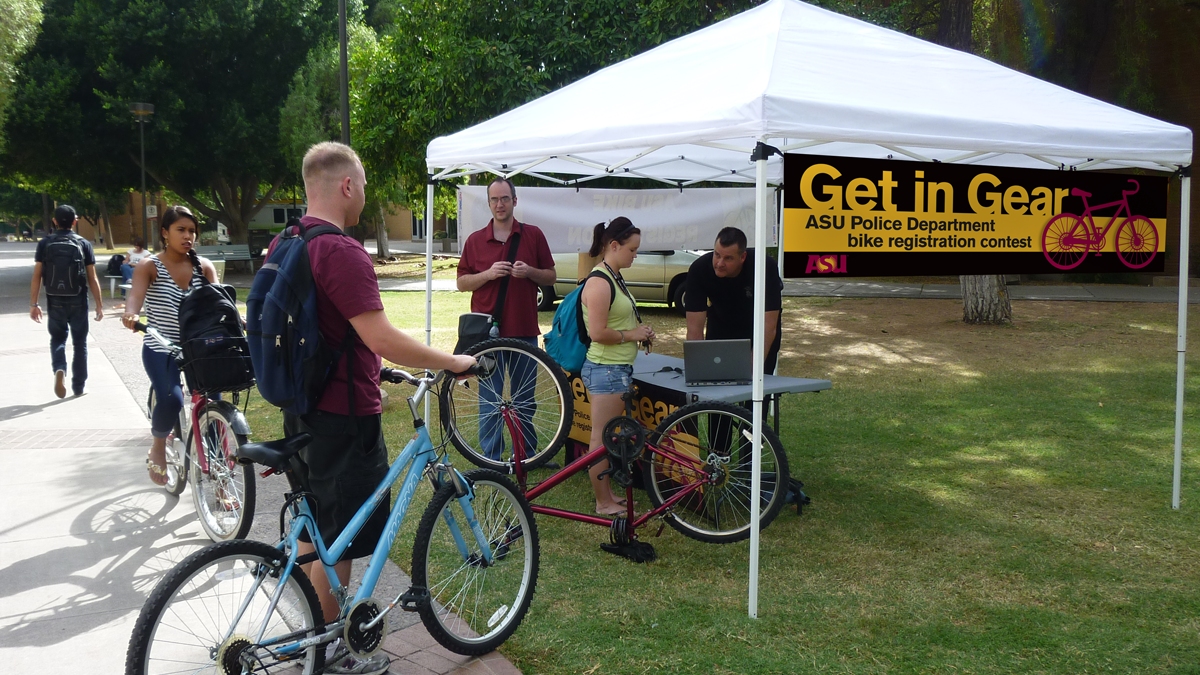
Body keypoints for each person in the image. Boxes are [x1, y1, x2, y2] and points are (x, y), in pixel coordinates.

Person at [273, 141, 476, 675]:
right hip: (344, 421)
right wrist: (452, 362)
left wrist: (372, 369)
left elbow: (329, 331)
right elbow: (382, 335)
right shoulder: (339, 250)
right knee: (342, 541)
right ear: (346, 185)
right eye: (362, 184)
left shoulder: (288, 241)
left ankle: (313, 638)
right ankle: (331, 649)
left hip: (304, 409)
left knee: (323, 532)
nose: (364, 193)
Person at [456, 177, 555, 461]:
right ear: (488, 203)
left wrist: (530, 272)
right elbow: (462, 283)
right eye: (494, 200)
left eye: (505, 199)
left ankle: (527, 456)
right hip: (487, 335)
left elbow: (551, 275)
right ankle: (492, 457)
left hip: (524, 330)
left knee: (525, 399)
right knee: (490, 399)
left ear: (515, 200)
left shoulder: (533, 235)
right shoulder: (475, 240)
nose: (500, 204)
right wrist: (487, 274)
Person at [121, 206, 218, 486]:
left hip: (199, 349)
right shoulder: (149, 266)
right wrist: (132, 313)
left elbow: (219, 304)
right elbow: (135, 297)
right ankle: (158, 446)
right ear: (165, 233)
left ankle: (222, 473)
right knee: (171, 399)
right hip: (161, 346)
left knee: (214, 406)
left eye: (192, 231)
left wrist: (239, 318)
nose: (188, 236)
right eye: (181, 230)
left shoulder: (204, 267)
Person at [580, 217, 655, 516]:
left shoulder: (613, 276)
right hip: (605, 369)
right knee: (601, 437)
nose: (635, 255)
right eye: (632, 249)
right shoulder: (600, 281)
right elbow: (597, 333)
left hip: (614, 368)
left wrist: (639, 333)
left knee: (609, 436)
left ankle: (607, 493)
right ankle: (602, 502)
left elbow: (617, 320)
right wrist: (632, 335)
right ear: (614, 245)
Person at [684, 227, 784, 373]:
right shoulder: (699, 270)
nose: (720, 263)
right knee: (714, 388)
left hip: (757, 334)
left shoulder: (764, 267)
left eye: (728, 258)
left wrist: (751, 370)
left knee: (757, 390)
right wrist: (698, 371)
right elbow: (694, 330)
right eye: (717, 255)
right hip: (720, 332)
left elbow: (768, 327)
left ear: (742, 257)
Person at [29, 205, 103, 398]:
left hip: (55, 300)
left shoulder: (45, 243)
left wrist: (34, 304)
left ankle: (59, 369)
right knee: (80, 343)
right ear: (74, 222)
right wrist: (99, 305)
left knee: (57, 339)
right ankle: (78, 386)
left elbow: (37, 276)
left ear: (54, 221)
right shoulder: (83, 243)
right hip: (78, 299)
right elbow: (92, 277)